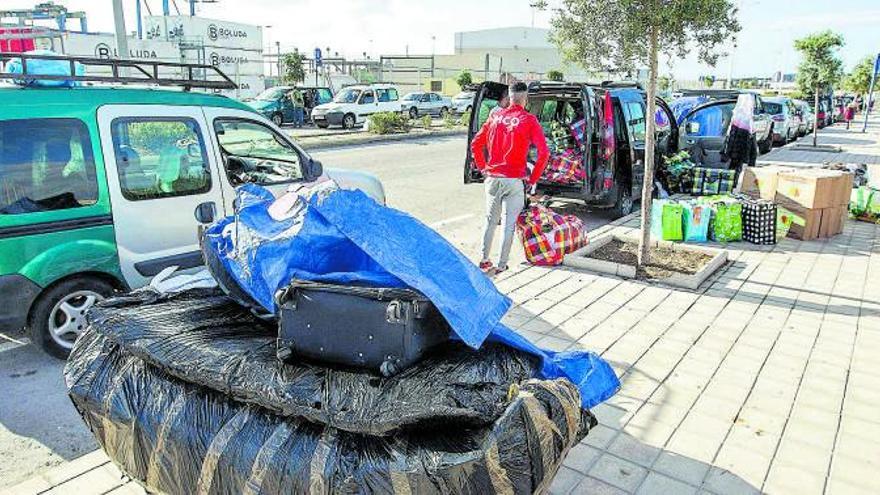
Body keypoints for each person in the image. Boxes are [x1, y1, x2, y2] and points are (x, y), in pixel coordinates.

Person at [470, 82, 550, 274]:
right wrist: (532, 180)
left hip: (492, 177)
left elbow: (475, 144)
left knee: (490, 221)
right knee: (508, 223)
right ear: (525, 99)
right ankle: (501, 264)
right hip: (514, 180)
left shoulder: (495, 116)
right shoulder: (529, 120)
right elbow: (544, 153)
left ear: (509, 97)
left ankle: (483, 260)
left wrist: (483, 168)